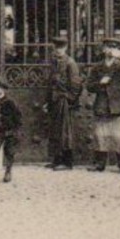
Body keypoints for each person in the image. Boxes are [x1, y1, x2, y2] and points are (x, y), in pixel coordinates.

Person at [90, 37, 120, 174]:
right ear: (104, 50)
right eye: (108, 47)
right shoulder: (97, 67)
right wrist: (100, 83)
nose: (110, 50)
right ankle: (100, 163)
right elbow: (89, 86)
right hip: (102, 104)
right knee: (100, 135)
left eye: (114, 48)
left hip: (118, 104)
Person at [45, 31, 84, 170]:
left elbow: (76, 84)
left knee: (65, 132)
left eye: (60, 48)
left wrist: (69, 98)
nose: (58, 50)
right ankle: (57, 159)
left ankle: (67, 162)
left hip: (64, 101)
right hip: (55, 101)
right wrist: (48, 100)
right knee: (56, 131)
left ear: (65, 48)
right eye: (56, 48)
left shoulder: (70, 63)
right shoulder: (54, 62)